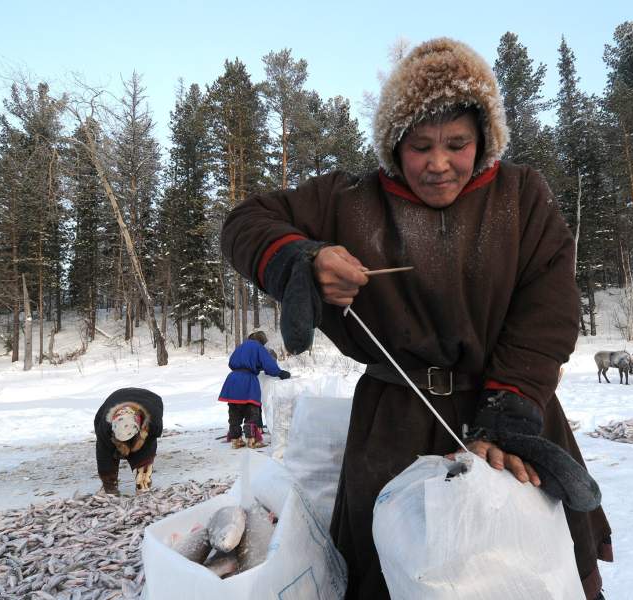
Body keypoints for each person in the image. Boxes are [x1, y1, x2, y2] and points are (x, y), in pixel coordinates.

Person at [221, 38, 612, 600]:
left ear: (483, 141)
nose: (438, 164)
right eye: (420, 145)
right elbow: (244, 222)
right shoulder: (350, 199)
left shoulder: (521, 196)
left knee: (525, 566)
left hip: (508, 415)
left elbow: (548, 308)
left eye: (457, 144)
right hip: (393, 424)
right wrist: (300, 259)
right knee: (395, 575)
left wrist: (510, 412)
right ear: (394, 144)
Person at [218, 330, 291, 449]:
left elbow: (231, 362)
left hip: (232, 380)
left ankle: (236, 440)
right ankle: (253, 440)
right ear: (261, 341)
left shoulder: (241, 347)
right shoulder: (258, 347)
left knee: (234, 411)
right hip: (247, 380)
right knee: (252, 410)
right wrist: (280, 373)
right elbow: (268, 363)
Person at [94, 387, 163, 495]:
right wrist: (108, 485)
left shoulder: (153, 423)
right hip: (114, 400)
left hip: (149, 399)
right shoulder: (104, 426)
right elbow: (104, 455)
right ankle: (109, 486)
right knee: (106, 450)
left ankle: (143, 483)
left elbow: (149, 447)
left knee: (144, 449)